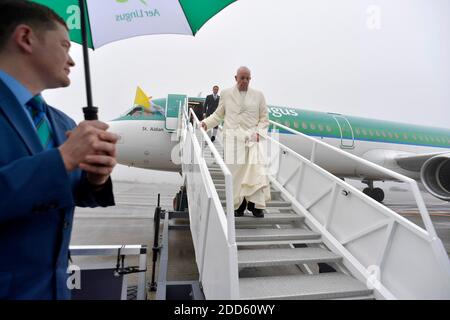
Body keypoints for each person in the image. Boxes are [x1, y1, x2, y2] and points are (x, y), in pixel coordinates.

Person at [0, 1, 118, 300]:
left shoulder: (62, 122)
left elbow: (63, 193)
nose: (72, 60)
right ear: (25, 38)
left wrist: (95, 180)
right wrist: (63, 159)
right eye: (65, 45)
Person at [201, 67, 270, 218]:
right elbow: (218, 115)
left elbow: (264, 119)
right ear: (236, 78)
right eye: (242, 78)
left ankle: (255, 206)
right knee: (235, 177)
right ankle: (239, 206)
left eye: (247, 78)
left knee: (255, 172)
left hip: (252, 140)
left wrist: (258, 133)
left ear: (250, 79)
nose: (244, 81)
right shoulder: (226, 94)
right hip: (233, 141)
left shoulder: (258, 95)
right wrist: (206, 123)